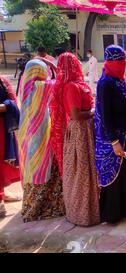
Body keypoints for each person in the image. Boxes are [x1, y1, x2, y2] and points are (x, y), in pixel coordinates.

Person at [94, 45, 126, 224]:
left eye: (123, 62)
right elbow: (105, 115)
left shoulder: (120, 80)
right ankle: (115, 212)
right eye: (118, 62)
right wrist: (114, 141)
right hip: (118, 139)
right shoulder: (105, 83)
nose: (121, 65)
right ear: (110, 62)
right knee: (119, 176)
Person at [51, 52, 100, 226]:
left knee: (89, 170)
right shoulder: (71, 87)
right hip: (80, 131)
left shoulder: (78, 84)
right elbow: (76, 115)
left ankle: (92, 209)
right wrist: (94, 112)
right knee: (82, 171)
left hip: (86, 130)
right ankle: (82, 214)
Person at [18, 59, 65, 222]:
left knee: (35, 171)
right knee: (43, 171)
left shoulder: (25, 87)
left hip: (30, 139)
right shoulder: (40, 87)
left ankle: (30, 208)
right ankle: (42, 208)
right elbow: (61, 81)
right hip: (42, 140)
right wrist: (54, 66)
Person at [0, 75, 21, 218]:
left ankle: (1, 194)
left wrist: (6, 105)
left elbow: (13, 100)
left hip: (3, 128)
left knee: (2, 160)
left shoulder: (2, 81)